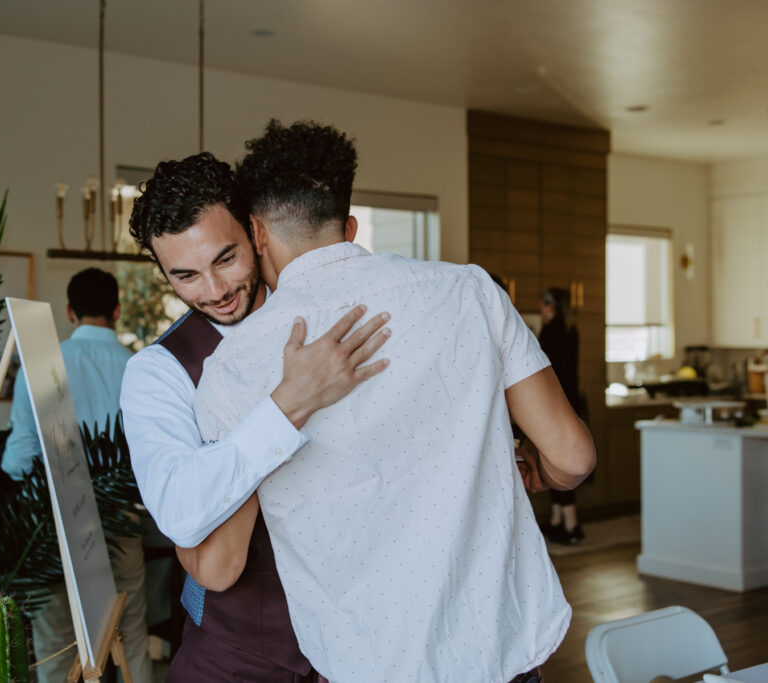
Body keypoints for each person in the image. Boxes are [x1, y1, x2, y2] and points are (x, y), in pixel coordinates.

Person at [191, 120, 596, 682]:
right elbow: (573, 457)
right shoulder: (471, 289)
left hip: (367, 664)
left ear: (256, 233)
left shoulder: (232, 367)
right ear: (349, 225)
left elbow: (218, 558)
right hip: (502, 652)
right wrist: (537, 468)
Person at [120, 152, 390, 681]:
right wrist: (286, 405)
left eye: (225, 259)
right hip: (238, 655)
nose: (215, 291)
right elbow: (180, 510)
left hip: (364, 639)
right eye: (186, 276)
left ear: (256, 232)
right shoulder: (158, 373)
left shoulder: (338, 317)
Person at [1, 268, 152, 683]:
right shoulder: (141, 367)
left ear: (70, 312)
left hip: (54, 525)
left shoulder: (44, 364)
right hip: (122, 518)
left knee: (56, 643)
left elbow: (17, 459)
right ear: (117, 310)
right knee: (130, 636)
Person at [538, 286, 585, 545]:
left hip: (554, 403)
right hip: (572, 401)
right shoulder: (571, 329)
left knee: (556, 462)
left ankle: (570, 524)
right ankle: (558, 520)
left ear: (549, 306)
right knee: (563, 461)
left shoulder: (551, 330)